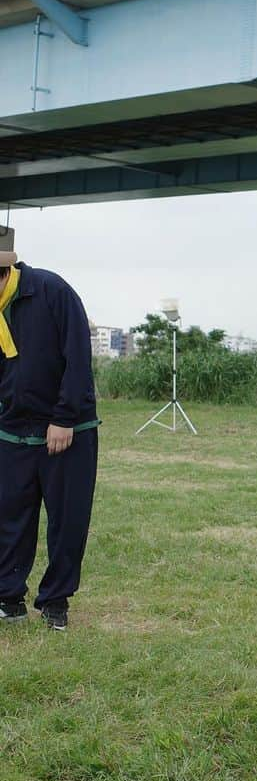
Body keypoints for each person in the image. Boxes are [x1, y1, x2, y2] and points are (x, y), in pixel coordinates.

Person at [0, 241, 99, 632]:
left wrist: (64, 417)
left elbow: (78, 355)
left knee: (66, 519)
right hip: (13, 428)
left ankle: (55, 602)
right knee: (8, 516)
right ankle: (8, 597)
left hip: (67, 428)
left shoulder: (51, 290)